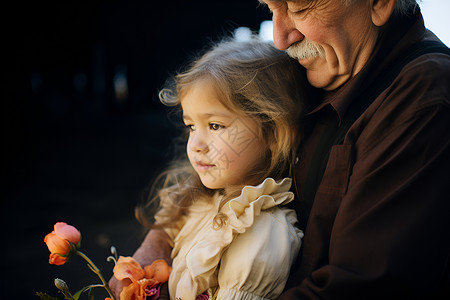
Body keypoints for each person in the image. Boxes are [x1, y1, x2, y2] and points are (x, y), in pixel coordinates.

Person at [110, 0, 450, 299]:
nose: (280, 38)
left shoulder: (422, 99)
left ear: (378, 2)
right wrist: (160, 241)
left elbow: (360, 286)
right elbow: (222, 164)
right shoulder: (324, 61)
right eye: (271, 9)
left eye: (300, 7)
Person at [113, 38, 309, 299]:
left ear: (274, 132)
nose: (195, 145)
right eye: (192, 126)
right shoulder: (206, 199)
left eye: (215, 126)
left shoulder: (261, 235)